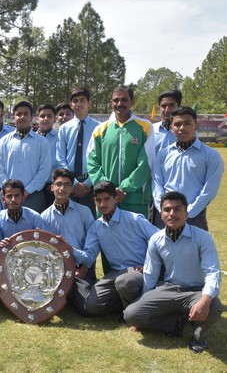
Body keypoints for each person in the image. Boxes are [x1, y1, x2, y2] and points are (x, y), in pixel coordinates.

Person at [123, 191, 222, 354]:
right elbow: (150, 274)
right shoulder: (156, 239)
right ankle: (175, 323)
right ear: (161, 214)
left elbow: (213, 272)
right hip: (168, 289)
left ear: (186, 213)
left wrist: (205, 299)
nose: (172, 214)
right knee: (131, 315)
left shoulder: (203, 237)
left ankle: (198, 335)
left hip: (195, 292)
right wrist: (142, 306)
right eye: (167, 210)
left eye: (177, 209)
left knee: (214, 307)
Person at [80, 181, 158, 317]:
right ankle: (129, 304)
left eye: (107, 199)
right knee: (91, 305)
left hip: (138, 271)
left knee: (125, 282)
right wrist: (68, 248)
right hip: (115, 273)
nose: (102, 204)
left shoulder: (134, 219)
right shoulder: (96, 227)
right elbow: (89, 256)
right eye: (98, 200)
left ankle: (134, 312)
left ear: (116, 198)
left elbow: (160, 240)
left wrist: (148, 265)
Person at [152, 107, 223, 230]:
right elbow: (156, 183)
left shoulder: (211, 155)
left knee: (195, 243)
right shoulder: (163, 154)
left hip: (195, 216)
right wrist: (163, 209)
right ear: (171, 128)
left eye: (187, 123)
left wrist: (189, 212)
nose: (182, 128)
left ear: (196, 126)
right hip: (164, 216)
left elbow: (210, 189)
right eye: (177, 124)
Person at [87, 85, 154, 216]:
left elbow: (146, 163)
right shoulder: (100, 130)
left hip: (135, 199)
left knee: (135, 230)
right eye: (116, 100)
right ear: (111, 102)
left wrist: (124, 188)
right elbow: (92, 161)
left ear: (132, 101)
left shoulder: (145, 127)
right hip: (106, 199)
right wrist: (109, 188)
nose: (119, 104)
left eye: (124, 100)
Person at [40, 168, 96, 316]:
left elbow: (93, 246)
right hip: (56, 270)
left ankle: (75, 291)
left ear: (72, 189)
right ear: (52, 187)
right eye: (58, 184)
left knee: (86, 308)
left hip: (81, 269)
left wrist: (84, 267)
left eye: (67, 185)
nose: (62, 188)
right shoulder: (44, 217)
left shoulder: (84, 212)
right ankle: (68, 292)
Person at [0, 101, 51, 212]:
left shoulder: (42, 142)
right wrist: (11, 191)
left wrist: (27, 191)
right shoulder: (4, 141)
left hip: (33, 195)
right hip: (9, 196)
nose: (22, 117)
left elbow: (44, 170)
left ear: (32, 118)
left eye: (26, 114)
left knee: (32, 223)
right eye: (19, 114)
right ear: (13, 117)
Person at [56, 87, 100, 216]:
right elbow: (60, 158)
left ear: (89, 103)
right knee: (69, 219)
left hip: (91, 184)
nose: (79, 104)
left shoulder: (99, 127)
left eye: (82, 100)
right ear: (71, 104)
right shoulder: (64, 128)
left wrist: (87, 184)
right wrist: (73, 183)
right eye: (75, 101)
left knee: (91, 220)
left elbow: (102, 159)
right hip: (69, 184)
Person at [37, 104, 59, 210]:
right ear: (37, 119)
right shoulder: (31, 138)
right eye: (42, 116)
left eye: (49, 116)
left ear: (55, 118)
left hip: (52, 186)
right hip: (34, 187)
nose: (45, 119)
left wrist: (55, 182)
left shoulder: (60, 137)